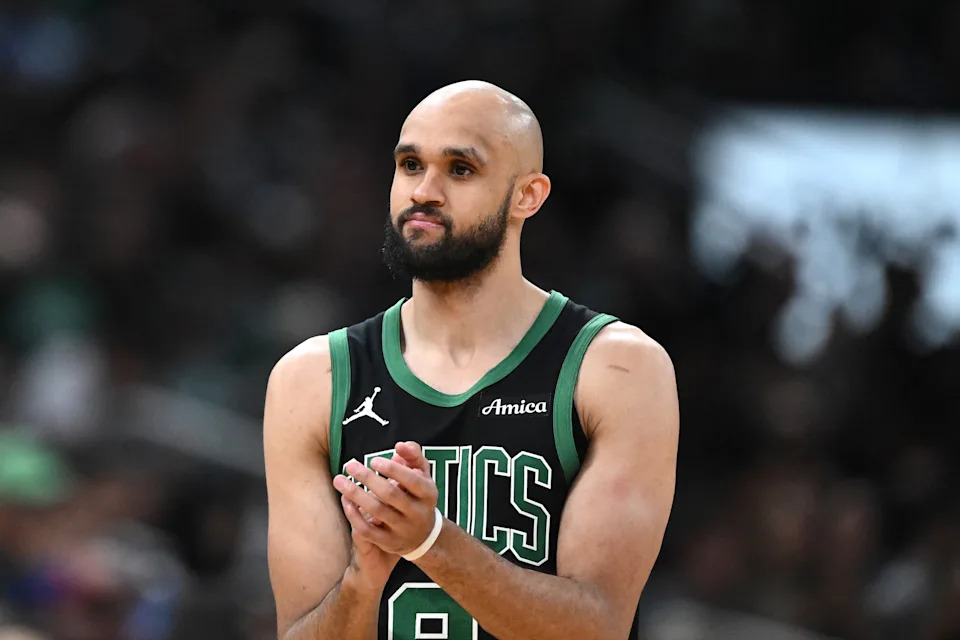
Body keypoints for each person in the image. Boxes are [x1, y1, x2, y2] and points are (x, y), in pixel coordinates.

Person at [263, 80, 679, 640]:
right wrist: (365, 578)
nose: (424, 190)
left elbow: (599, 627)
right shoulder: (311, 380)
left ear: (527, 195)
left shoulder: (616, 370)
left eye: (460, 169)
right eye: (410, 165)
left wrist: (431, 542)